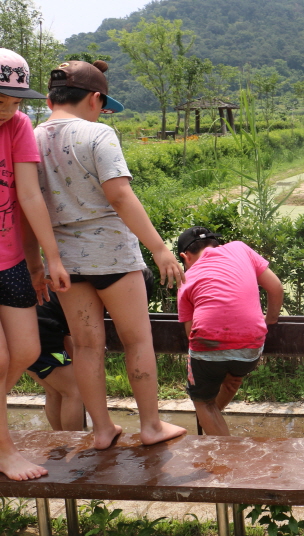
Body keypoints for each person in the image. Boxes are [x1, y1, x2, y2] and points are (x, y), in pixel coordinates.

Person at [34, 59, 186, 450]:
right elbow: (119, 195)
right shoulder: (99, 134)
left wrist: (40, 261)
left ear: (52, 97)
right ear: (95, 98)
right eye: (103, 104)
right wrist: (160, 248)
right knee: (137, 341)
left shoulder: (31, 138)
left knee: (86, 346)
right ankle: (150, 426)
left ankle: (102, 431)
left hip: (65, 261)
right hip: (114, 257)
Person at [0, 48, 71, 481]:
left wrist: (49, 257)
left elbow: (29, 196)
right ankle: (5, 451)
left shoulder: (18, 126)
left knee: (25, 351)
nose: (8, 109)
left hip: (8, 262)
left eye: (14, 101)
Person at [176, 226, 283, 436]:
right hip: (250, 348)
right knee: (232, 379)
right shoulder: (240, 248)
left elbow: (191, 334)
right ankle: (215, 429)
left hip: (208, 347)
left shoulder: (186, 279)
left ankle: (225, 456)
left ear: (184, 257)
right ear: (217, 243)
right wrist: (269, 319)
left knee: (203, 401)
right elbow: (276, 287)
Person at [25, 291, 83, 431]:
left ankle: (60, 441)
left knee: (54, 391)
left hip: (19, 335)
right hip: (41, 336)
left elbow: (66, 335)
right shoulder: (84, 295)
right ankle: (74, 446)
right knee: (74, 391)